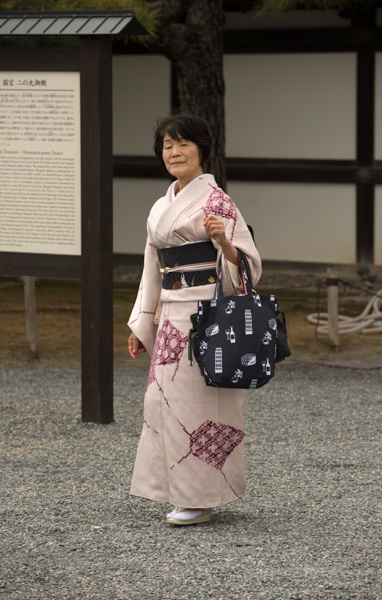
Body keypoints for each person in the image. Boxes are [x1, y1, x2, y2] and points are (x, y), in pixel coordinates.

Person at [128, 112, 262, 525]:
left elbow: (249, 269)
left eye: (183, 143)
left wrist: (224, 241)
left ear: (201, 149)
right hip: (171, 316)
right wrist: (142, 321)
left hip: (207, 316)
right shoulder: (159, 207)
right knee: (160, 402)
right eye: (167, 145)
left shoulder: (218, 201)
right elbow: (153, 268)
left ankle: (200, 498)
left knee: (198, 406)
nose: (174, 151)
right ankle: (174, 489)